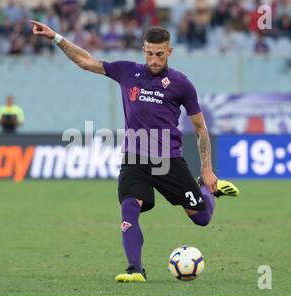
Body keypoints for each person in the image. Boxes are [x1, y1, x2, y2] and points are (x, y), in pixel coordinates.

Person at [30, 20, 240, 282]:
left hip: (169, 161)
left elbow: (201, 129)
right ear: (144, 50)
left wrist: (207, 170)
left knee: (201, 219)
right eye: (149, 53)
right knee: (129, 207)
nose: (154, 59)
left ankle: (207, 190)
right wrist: (55, 37)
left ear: (169, 52)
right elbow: (86, 61)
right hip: (135, 159)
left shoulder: (181, 84)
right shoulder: (127, 72)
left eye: (159, 54)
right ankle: (135, 270)